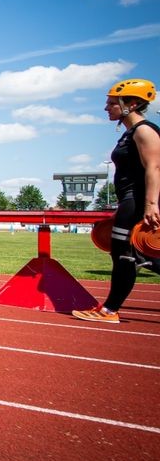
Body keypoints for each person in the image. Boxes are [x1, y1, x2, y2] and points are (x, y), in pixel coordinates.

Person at [74, 78, 160, 324]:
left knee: (129, 256)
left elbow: (154, 168)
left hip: (137, 201)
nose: (106, 108)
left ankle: (109, 311)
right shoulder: (130, 133)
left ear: (131, 104)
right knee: (130, 256)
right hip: (129, 202)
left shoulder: (144, 130)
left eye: (112, 103)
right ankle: (109, 310)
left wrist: (151, 205)